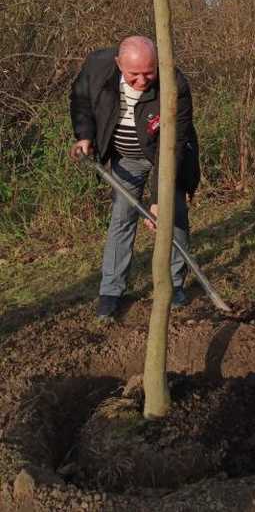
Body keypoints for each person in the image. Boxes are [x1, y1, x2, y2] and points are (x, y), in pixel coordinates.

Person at [69, 36, 200, 318]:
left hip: (166, 158)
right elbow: (81, 100)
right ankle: (111, 291)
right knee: (122, 216)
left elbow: (174, 144)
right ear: (118, 64)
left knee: (172, 216)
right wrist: (85, 136)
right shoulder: (97, 67)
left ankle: (175, 284)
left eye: (149, 73)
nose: (142, 81)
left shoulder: (175, 85)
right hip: (125, 160)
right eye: (134, 75)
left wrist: (157, 199)